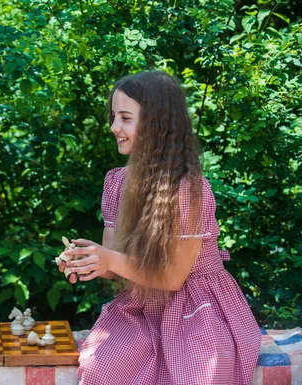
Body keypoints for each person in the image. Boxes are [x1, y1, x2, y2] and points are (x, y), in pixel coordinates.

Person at [58, 71, 260, 384]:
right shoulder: (116, 183)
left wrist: (108, 259)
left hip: (198, 310)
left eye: (126, 118)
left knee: (197, 374)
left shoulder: (190, 191)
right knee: (102, 369)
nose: (114, 127)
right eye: (113, 116)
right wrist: (89, 261)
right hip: (143, 306)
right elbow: (115, 264)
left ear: (156, 122)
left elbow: (172, 277)